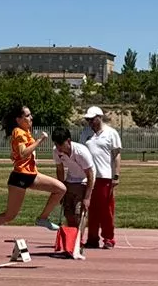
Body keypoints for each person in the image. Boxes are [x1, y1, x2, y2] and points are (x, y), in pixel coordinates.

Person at [0, 107, 65, 249]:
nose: (31, 118)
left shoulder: (26, 132)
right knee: (9, 216)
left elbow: (16, 154)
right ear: (18, 119)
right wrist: (40, 140)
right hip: (20, 177)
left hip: (31, 174)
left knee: (60, 189)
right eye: (27, 115)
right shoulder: (19, 132)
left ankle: (43, 218)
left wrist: (19, 155)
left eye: (30, 115)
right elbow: (23, 153)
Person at [50, 126, 95, 259]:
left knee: (78, 213)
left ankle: (78, 244)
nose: (58, 148)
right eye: (56, 145)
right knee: (68, 213)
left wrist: (87, 197)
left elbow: (91, 175)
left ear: (68, 141)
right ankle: (70, 242)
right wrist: (61, 189)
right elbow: (60, 170)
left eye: (60, 145)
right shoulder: (56, 151)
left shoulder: (81, 152)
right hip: (70, 180)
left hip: (84, 180)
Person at [81, 105, 123, 250]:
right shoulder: (86, 134)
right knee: (90, 209)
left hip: (105, 176)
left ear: (100, 117)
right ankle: (92, 238)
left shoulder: (111, 133)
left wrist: (116, 175)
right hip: (89, 177)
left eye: (92, 119)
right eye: (88, 120)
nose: (90, 122)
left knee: (106, 210)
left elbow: (116, 155)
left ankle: (108, 238)